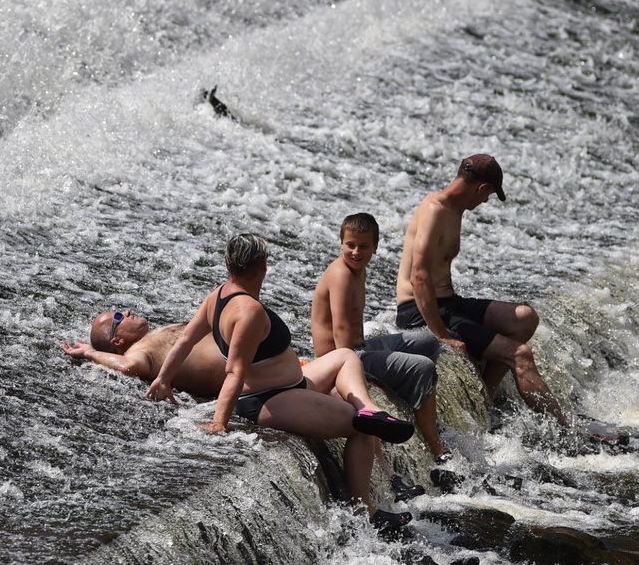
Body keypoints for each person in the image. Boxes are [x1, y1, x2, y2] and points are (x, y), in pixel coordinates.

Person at [146, 233, 416, 530]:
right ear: (263, 266)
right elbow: (234, 371)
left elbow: (185, 339)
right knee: (361, 430)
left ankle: (368, 407)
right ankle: (365, 514)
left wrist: (163, 378)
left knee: (345, 356)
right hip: (270, 400)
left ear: (228, 265)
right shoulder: (248, 312)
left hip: (292, 385)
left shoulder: (218, 295)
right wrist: (219, 423)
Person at [395, 154, 569, 426]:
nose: (485, 202)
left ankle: (484, 400)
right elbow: (419, 276)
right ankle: (566, 430)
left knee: (525, 317)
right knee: (520, 353)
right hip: (418, 310)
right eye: (488, 195)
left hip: (448, 302)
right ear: (482, 188)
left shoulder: (455, 209)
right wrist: (441, 333)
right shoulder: (435, 210)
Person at [312, 213, 450, 468]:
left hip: (360, 348)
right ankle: (435, 445)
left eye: (363, 246)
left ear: (375, 247)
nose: (356, 251)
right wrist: (351, 374)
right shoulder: (341, 275)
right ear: (341, 243)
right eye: (350, 245)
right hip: (342, 358)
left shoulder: (357, 270)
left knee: (428, 343)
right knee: (423, 367)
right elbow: (341, 328)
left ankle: (415, 397)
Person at [60, 309, 227, 398]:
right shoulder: (138, 352)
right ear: (118, 341)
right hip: (242, 374)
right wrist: (90, 353)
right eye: (119, 317)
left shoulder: (148, 339)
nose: (127, 311)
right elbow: (128, 366)